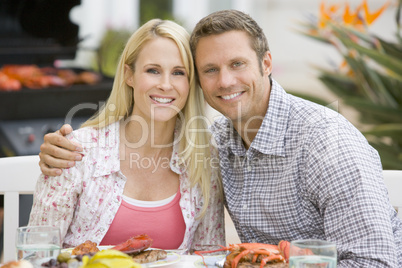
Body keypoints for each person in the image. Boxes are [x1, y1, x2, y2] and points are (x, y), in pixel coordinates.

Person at [38, 10, 402, 267]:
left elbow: (375, 262)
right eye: (210, 69)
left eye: (238, 64)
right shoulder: (215, 146)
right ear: (129, 75)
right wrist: (56, 150)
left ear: (267, 63)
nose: (225, 81)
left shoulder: (326, 141)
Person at [29, 19, 225, 251]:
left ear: (190, 82)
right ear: (128, 75)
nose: (165, 84)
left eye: (178, 72)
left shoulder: (202, 160)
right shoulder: (76, 152)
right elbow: (38, 252)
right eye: (153, 70)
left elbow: (210, 255)